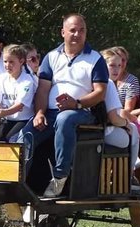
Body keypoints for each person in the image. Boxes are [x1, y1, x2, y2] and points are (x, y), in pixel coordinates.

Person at [17, 13, 109, 197]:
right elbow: (43, 90)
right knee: (26, 134)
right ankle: (17, 182)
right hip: (50, 113)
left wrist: (76, 103)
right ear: (63, 32)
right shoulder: (51, 57)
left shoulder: (95, 59)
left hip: (83, 112)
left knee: (65, 118)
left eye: (81, 30)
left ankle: (59, 177)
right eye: (73, 30)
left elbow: (100, 92)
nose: (77, 34)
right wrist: (39, 113)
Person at [112, 46, 140, 111]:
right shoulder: (105, 78)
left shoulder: (132, 80)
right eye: (118, 59)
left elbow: (128, 109)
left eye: (123, 60)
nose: (120, 63)